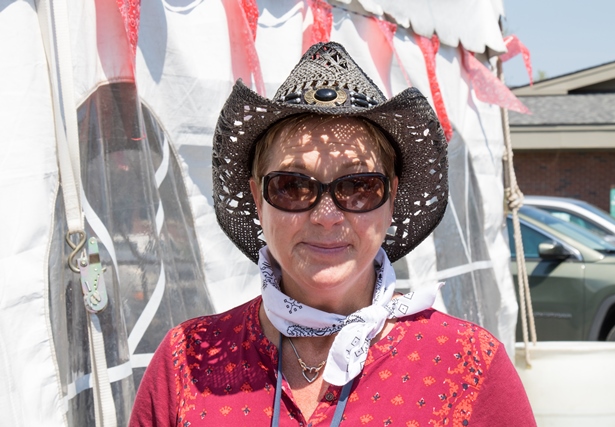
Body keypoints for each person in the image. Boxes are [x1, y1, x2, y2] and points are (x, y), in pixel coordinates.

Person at [129, 42, 535, 426]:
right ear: (258, 198)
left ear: (391, 198)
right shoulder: (186, 361)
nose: (326, 216)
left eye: (359, 188)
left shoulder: (468, 365)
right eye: (292, 187)